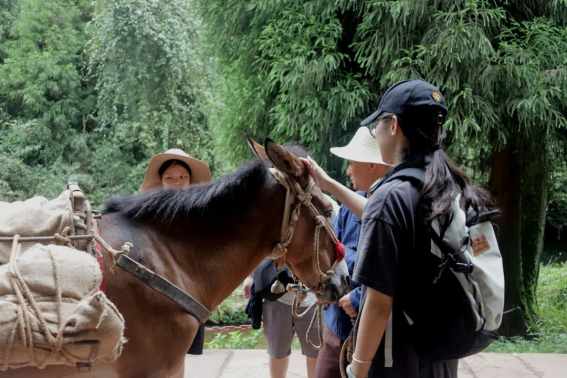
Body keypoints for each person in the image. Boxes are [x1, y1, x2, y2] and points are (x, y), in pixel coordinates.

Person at [303, 79, 494, 378]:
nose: (375, 133)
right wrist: (327, 184)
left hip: (397, 361)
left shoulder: (391, 196)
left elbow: (378, 302)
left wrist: (358, 368)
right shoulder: (448, 186)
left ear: (393, 125)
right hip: (439, 353)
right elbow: (388, 220)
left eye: (376, 125)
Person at [243, 141, 330, 378]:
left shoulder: (323, 208)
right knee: (277, 353)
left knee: (315, 353)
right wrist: (250, 277)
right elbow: (256, 242)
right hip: (277, 293)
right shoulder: (272, 208)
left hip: (312, 297)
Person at [313, 127, 391, 378]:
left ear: (371, 165)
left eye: (351, 163)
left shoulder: (395, 206)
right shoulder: (349, 207)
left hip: (373, 332)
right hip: (336, 325)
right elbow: (334, 254)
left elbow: (391, 271)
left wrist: (360, 297)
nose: (347, 171)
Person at [139, 148, 211, 377]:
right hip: (156, 291)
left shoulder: (201, 215)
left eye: (183, 177)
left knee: (179, 351)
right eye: (170, 178)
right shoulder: (148, 214)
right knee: (154, 351)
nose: (177, 182)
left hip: (188, 293)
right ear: (161, 182)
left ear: (190, 181)